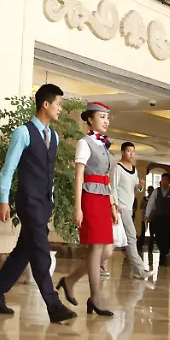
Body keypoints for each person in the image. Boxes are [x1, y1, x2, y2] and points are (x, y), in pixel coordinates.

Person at [0, 84, 76, 322]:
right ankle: (53, 304)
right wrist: (4, 201)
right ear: (45, 104)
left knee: (23, 251)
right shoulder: (23, 133)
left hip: (44, 202)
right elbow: (8, 169)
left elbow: (48, 172)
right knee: (41, 250)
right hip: (28, 200)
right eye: (58, 104)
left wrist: (51, 199)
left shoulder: (54, 136)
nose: (60, 109)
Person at [57, 102, 119, 317]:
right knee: (96, 248)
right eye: (102, 116)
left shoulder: (104, 145)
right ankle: (95, 298)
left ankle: (69, 280)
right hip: (90, 198)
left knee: (107, 250)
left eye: (107, 117)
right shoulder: (84, 143)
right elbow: (79, 176)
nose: (106, 121)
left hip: (103, 198)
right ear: (90, 119)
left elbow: (106, 178)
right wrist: (78, 207)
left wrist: (112, 204)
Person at [110, 141, 152, 280]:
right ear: (122, 152)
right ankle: (140, 270)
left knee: (116, 238)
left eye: (133, 152)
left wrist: (140, 187)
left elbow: (135, 189)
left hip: (129, 208)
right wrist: (115, 205)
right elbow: (113, 187)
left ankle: (100, 263)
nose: (131, 154)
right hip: (120, 208)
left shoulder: (134, 170)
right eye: (129, 151)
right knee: (131, 237)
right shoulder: (117, 168)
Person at [146, 173, 170, 267]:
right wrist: (147, 215)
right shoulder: (156, 191)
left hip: (168, 219)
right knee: (158, 237)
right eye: (162, 180)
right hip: (158, 218)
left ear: (169, 182)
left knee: (167, 237)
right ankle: (163, 252)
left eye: (166, 180)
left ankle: (164, 255)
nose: (163, 182)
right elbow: (151, 203)